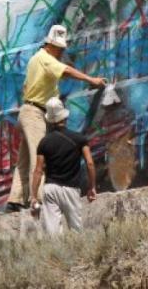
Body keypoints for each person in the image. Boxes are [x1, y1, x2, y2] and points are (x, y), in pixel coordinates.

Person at [6, 25, 107, 212]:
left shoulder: (36, 60)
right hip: (35, 113)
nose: (61, 52)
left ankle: (15, 199)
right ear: (50, 45)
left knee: (24, 159)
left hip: (29, 110)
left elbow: (26, 87)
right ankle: (39, 200)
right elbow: (66, 71)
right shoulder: (45, 58)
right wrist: (91, 80)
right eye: (59, 49)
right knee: (38, 158)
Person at [29, 97, 97, 234]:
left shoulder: (44, 143)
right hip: (71, 190)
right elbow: (90, 163)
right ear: (65, 117)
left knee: (53, 234)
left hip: (50, 189)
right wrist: (92, 187)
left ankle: (56, 249)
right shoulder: (79, 139)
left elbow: (38, 171)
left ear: (49, 120)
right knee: (77, 231)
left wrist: (34, 196)